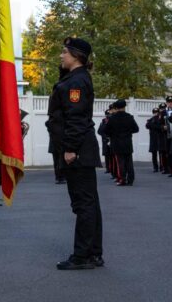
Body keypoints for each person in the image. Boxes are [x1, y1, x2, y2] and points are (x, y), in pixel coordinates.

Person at [47, 37, 103, 270]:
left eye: (64, 52)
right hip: (79, 149)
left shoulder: (77, 81)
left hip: (77, 151)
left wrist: (69, 149)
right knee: (88, 203)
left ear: (76, 56)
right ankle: (92, 253)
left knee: (83, 204)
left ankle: (82, 256)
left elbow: (76, 119)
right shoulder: (73, 79)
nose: (61, 56)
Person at [106, 99, 139, 186]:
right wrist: (128, 132)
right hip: (127, 142)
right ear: (124, 107)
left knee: (120, 162)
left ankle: (122, 179)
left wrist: (113, 134)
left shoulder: (112, 118)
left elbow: (106, 130)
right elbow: (136, 129)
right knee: (129, 162)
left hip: (117, 143)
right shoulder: (129, 117)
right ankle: (130, 179)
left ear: (116, 107)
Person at [146, 107, 161, 172]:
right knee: (154, 154)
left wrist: (152, 125)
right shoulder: (151, 119)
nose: (155, 114)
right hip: (153, 139)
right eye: (154, 112)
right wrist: (153, 124)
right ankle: (155, 167)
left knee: (161, 153)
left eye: (156, 112)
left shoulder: (160, 119)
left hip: (159, 138)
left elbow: (159, 126)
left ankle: (162, 166)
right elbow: (147, 125)